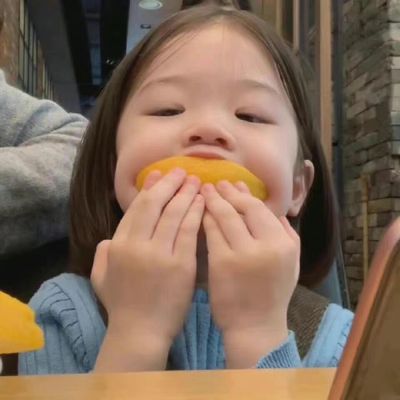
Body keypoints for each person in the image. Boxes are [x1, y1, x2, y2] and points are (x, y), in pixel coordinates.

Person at [19, 5, 353, 374]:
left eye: (250, 115)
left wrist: (257, 332)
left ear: (297, 187)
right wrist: (137, 333)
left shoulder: (342, 339)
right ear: (114, 168)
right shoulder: (60, 314)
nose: (208, 129)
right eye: (167, 110)